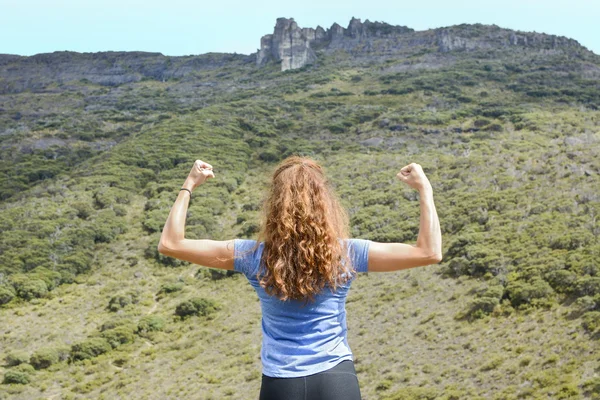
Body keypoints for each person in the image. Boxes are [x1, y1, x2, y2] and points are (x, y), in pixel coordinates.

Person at [158, 156, 442, 400]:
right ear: (325, 203)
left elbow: (170, 243)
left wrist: (189, 185)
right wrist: (424, 189)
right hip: (337, 380)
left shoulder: (252, 255)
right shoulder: (347, 254)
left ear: (274, 204)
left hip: (281, 383)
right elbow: (429, 252)